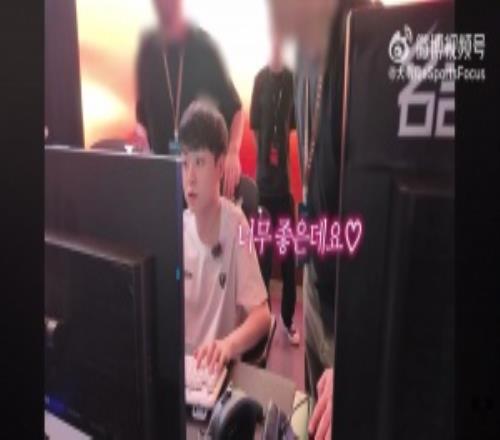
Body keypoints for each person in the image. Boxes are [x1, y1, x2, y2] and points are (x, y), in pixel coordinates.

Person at [270, 0, 369, 439]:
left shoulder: (368, 34)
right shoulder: (307, 50)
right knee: (314, 410)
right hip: (316, 264)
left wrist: (357, 345)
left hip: (352, 287)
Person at [180, 99, 272, 373]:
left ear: (220, 166)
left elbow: (262, 316)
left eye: (199, 162)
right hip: (183, 369)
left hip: (219, 370)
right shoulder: (177, 227)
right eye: (185, 163)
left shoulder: (236, 225)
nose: (190, 178)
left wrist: (227, 346)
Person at [135, 0, 244, 199]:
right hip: (162, 183)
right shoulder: (148, 49)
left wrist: (233, 152)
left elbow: (236, 109)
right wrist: (142, 138)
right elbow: (141, 116)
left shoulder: (204, 47)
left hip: (201, 185)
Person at [249, 21, 299, 346]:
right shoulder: (259, 80)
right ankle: (264, 319)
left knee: (289, 256)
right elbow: (254, 126)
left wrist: (280, 154)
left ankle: (288, 320)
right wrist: (265, 156)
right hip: (263, 185)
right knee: (263, 257)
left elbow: (294, 126)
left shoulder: (293, 80)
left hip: (284, 186)